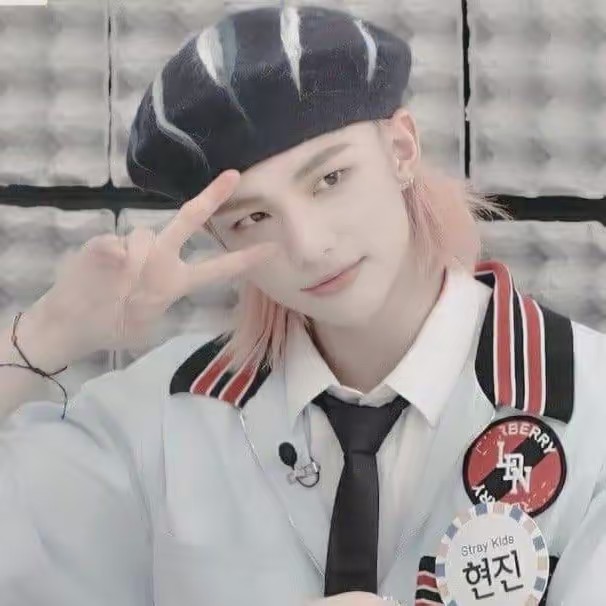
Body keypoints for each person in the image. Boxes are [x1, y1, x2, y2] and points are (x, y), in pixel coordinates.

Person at [1, 5, 605, 606]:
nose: (309, 246)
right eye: (253, 218)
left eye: (330, 179)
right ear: (221, 239)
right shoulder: (162, 417)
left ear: (401, 148)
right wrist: (49, 332)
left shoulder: (593, 408)